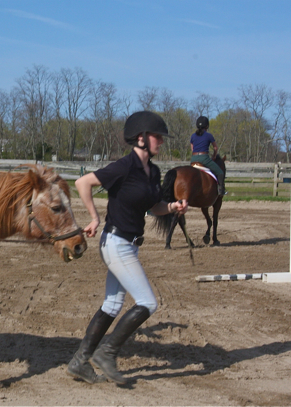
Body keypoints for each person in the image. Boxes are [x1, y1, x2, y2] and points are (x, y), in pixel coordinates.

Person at [67, 111, 189, 385]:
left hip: (130, 245)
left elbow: (152, 207)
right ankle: (106, 353)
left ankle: (79, 362)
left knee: (112, 304)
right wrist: (95, 217)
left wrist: (172, 206)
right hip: (115, 243)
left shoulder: (153, 172)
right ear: (142, 138)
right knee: (148, 303)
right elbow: (82, 183)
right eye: (158, 136)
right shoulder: (124, 167)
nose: (161, 141)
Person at [190, 116, 225, 195]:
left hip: (193, 159)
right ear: (207, 126)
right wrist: (214, 156)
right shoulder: (208, 135)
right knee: (220, 172)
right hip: (204, 158)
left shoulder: (193, 136)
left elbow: (192, 148)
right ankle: (220, 190)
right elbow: (215, 148)